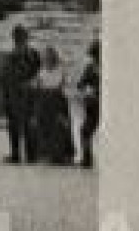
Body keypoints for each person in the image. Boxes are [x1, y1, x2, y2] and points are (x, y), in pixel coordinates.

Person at [2, 24, 40, 163]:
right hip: (24, 95)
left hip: (19, 95)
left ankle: (18, 154)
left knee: (18, 125)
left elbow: (7, 78)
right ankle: (28, 155)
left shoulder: (15, 55)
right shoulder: (31, 54)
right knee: (24, 125)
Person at [34, 45, 75, 163]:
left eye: (50, 57)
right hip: (44, 103)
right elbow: (38, 86)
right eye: (46, 57)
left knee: (60, 128)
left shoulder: (61, 70)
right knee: (45, 129)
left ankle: (63, 155)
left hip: (58, 102)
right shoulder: (41, 71)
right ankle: (47, 154)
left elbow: (64, 86)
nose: (48, 59)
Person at [78, 38, 100, 168]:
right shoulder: (90, 67)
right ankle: (87, 158)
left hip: (95, 103)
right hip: (93, 104)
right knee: (85, 130)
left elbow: (81, 84)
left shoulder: (91, 67)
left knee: (85, 130)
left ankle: (87, 158)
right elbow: (80, 84)